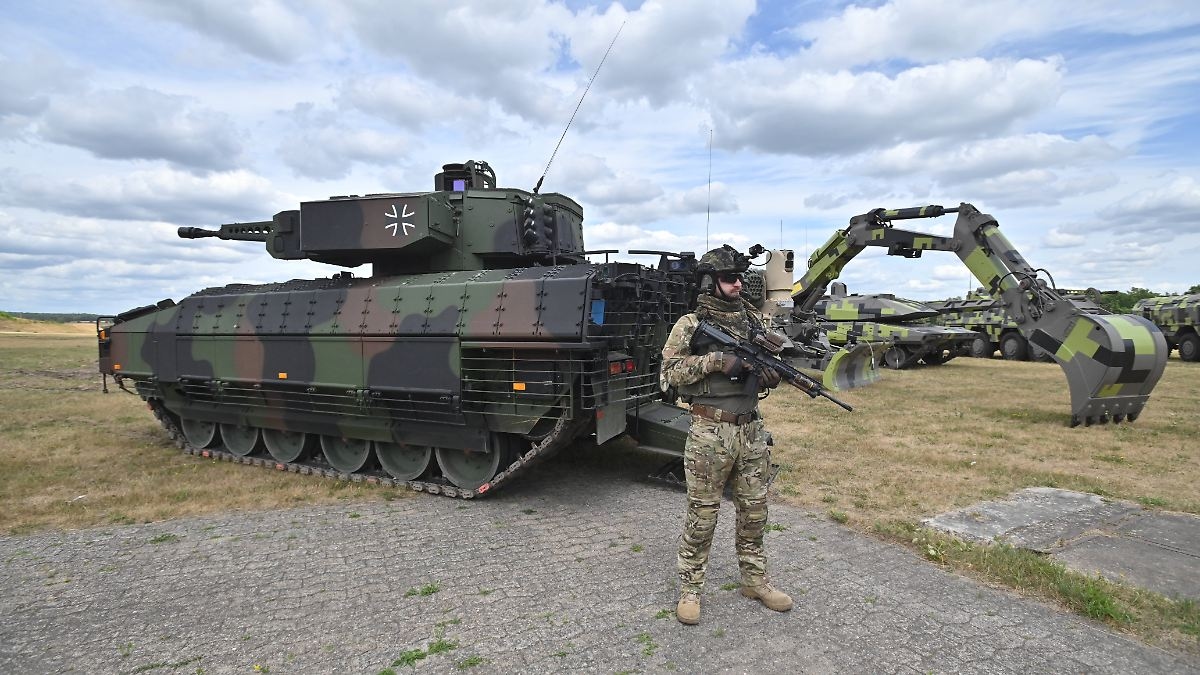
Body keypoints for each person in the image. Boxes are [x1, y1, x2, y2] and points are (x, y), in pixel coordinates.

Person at [660, 244, 792, 626]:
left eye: (739, 278)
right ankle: (690, 589)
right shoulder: (689, 324)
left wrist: (771, 374)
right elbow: (668, 374)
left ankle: (755, 580)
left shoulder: (754, 322)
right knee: (702, 515)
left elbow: (776, 364)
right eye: (729, 278)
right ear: (709, 282)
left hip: (751, 430)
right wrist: (718, 361)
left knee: (755, 512)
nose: (737, 285)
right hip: (709, 431)